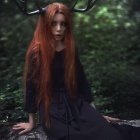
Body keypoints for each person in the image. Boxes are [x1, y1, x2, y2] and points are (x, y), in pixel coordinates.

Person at [12, 2, 134, 140]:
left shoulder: (70, 48)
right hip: (51, 107)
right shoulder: (37, 52)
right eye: (53, 24)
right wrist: (31, 122)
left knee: (110, 135)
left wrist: (95, 115)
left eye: (63, 24)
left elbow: (81, 80)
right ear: (45, 24)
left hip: (75, 101)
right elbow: (31, 86)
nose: (59, 29)